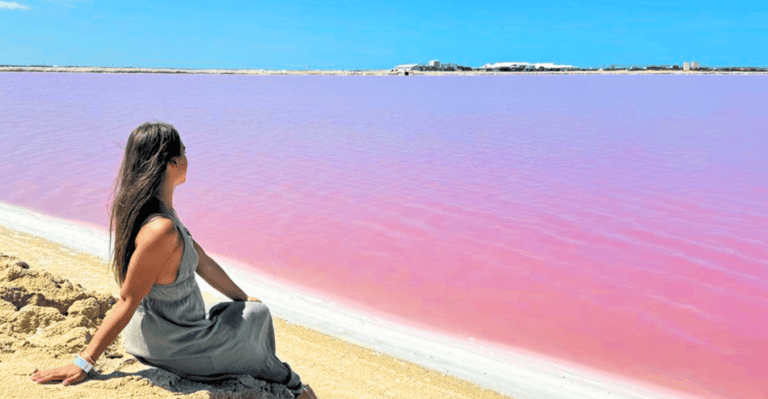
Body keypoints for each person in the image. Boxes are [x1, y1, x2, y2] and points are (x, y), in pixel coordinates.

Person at [31, 122, 317, 399]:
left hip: (160, 333)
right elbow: (127, 299)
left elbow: (202, 261)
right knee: (257, 318)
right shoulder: (161, 229)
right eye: (184, 152)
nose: (187, 159)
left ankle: (282, 379)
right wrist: (84, 361)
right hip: (175, 345)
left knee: (248, 310)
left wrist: (242, 297)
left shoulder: (148, 211)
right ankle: (291, 386)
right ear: (172, 163)